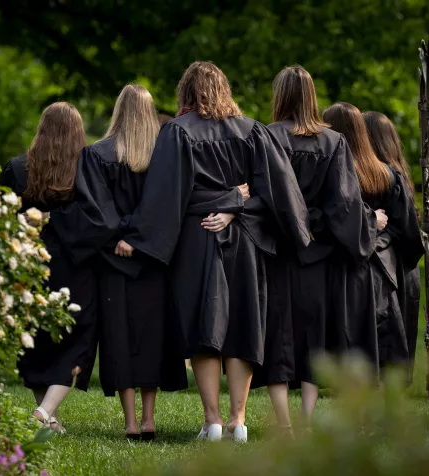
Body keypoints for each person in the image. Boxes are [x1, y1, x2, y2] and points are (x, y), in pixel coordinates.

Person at [114, 61, 311, 442]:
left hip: (194, 237)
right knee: (243, 323)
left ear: (186, 92)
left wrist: (138, 237)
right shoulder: (252, 131)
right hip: (247, 238)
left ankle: (213, 420)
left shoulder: (176, 132)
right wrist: (235, 203)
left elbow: (165, 196)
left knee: (202, 325)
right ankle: (239, 419)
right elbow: (277, 192)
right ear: (224, 89)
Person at [251, 66, 381, 432]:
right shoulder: (333, 141)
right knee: (314, 336)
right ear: (311, 95)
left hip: (277, 251)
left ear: (280, 95)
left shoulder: (267, 136)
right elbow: (344, 203)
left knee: (278, 334)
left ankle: (285, 423)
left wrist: (291, 226)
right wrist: (318, 227)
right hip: (320, 256)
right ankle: (306, 419)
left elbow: (262, 195)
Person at [84, 84, 187, 440]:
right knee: (151, 337)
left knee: (120, 338)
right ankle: (148, 418)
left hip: (113, 259)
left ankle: (129, 422)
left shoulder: (96, 154)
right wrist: (140, 240)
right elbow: (167, 207)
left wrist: (118, 237)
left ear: (118, 111)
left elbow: (97, 210)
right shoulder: (164, 155)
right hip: (153, 260)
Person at [0, 102, 104, 434]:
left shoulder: (16, 169)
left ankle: (46, 412)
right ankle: (46, 412)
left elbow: (1, 220)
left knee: (36, 340)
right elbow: (100, 221)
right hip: (75, 268)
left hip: (29, 266)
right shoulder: (87, 171)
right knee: (79, 340)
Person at [323, 103, 423, 375]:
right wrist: (378, 233)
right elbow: (409, 234)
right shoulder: (388, 176)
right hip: (384, 268)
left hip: (343, 267)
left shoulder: (334, 175)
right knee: (384, 341)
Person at [363, 111, 422, 383]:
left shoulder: (383, 177)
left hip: (386, 264)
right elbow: (410, 233)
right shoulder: (396, 176)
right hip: (398, 263)